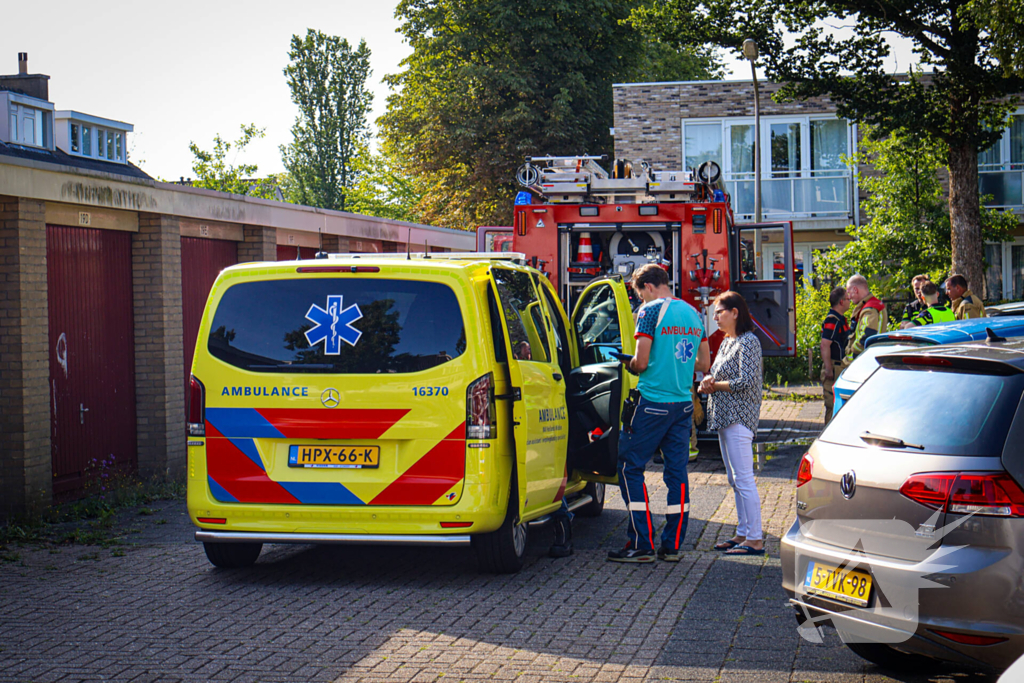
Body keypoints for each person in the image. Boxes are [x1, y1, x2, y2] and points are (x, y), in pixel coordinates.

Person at [608, 264, 710, 563]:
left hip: (652, 402)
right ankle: (672, 545)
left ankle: (642, 543)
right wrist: (675, 364)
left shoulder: (650, 311)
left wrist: (628, 362)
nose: (641, 300)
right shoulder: (693, 313)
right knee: (677, 474)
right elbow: (703, 363)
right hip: (682, 404)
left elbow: (640, 363)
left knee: (629, 468)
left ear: (649, 287)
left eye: (640, 294)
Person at [699, 291, 765, 556]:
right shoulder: (727, 342)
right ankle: (743, 532)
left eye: (719, 312)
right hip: (725, 417)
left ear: (735, 313)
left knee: (744, 479)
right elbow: (717, 374)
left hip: (739, 417)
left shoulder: (749, 341)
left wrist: (714, 385)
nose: (715, 317)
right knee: (734, 479)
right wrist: (708, 380)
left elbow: (746, 381)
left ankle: (755, 539)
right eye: (714, 313)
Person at [820, 286, 851, 424]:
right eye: (848, 299)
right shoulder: (833, 320)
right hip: (834, 366)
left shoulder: (840, 319)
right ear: (841, 302)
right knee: (832, 406)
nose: (850, 301)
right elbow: (825, 344)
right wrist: (828, 368)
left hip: (839, 366)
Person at [845, 275, 888, 362]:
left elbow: (866, 337)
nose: (849, 297)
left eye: (849, 292)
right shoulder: (871, 305)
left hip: (864, 360)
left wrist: (850, 353)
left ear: (855, 290)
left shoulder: (870, 309)